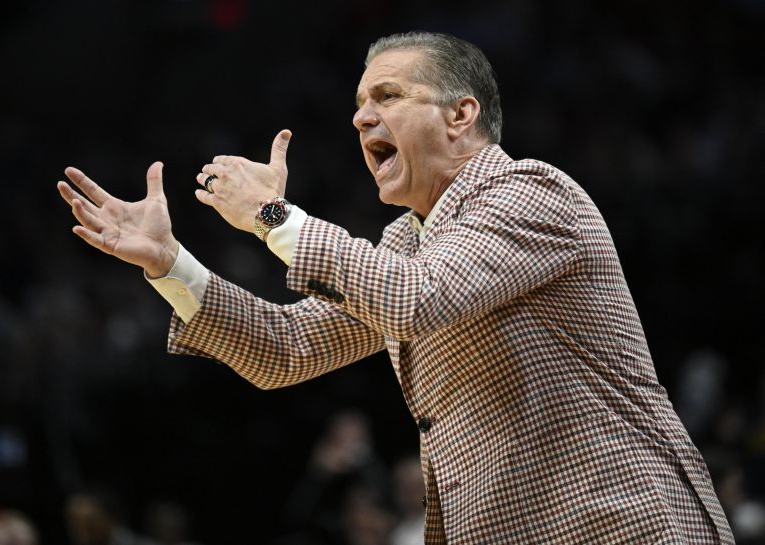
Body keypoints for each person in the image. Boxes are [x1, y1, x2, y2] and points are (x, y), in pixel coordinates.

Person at [57, 31, 734, 544]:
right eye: (358, 103)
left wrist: (272, 216)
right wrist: (168, 262)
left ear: (461, 114)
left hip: (617, 523)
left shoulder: (531, 191)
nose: (360, 118)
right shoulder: (406, 243)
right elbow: (286, 348)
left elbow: (418, 299)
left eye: (387, 96)